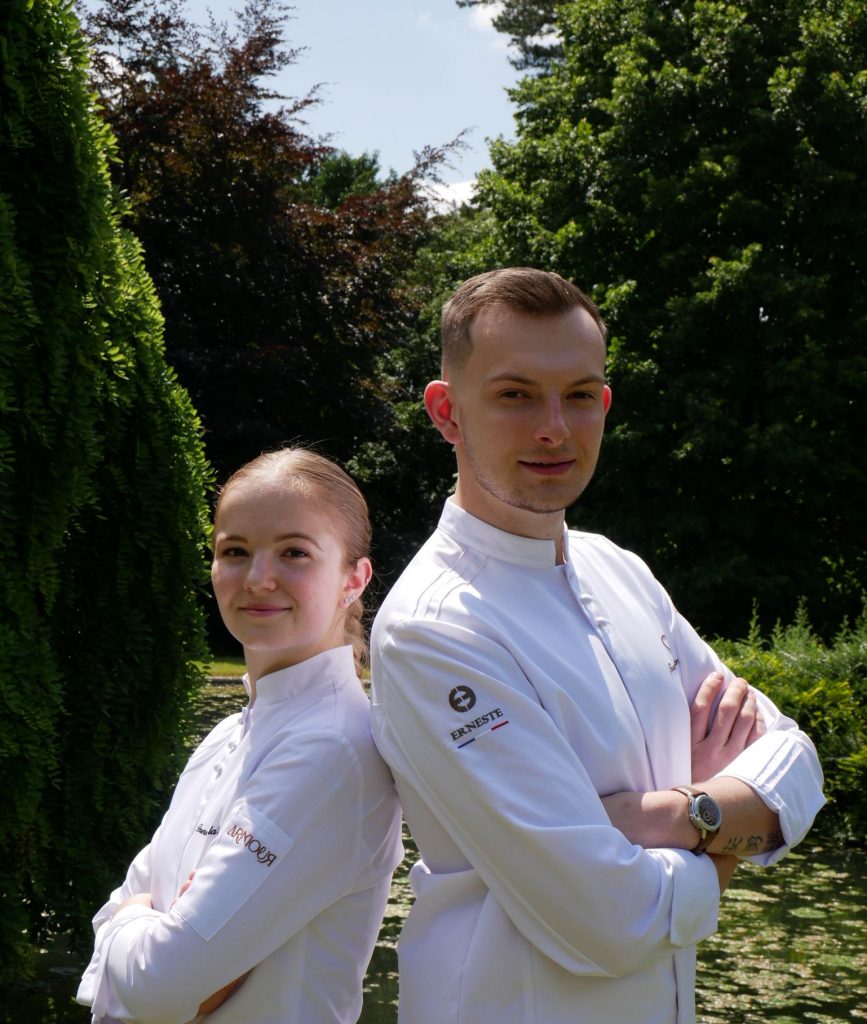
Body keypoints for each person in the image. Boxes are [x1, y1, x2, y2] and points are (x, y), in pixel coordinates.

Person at [370, 268, 825, 1024]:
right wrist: (727, 829)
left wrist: (675, 815)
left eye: (579, 395)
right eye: (516, 395)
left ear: (604, 406)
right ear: (447, 412)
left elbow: (797, 765)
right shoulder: (435, 629)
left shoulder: (621, 571)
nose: (554, 428)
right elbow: (610, 920)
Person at [77, 448, 403, 1024]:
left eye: (295, 552)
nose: (257, 578)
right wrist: (146, 929)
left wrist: (132, 921)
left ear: (353, 580)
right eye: (235, 551)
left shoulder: (332, 751)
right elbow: (145, 945)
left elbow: (159, 985)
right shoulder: (226, 736)